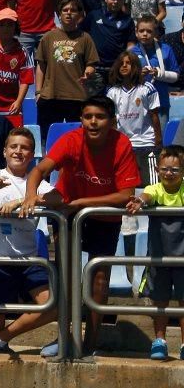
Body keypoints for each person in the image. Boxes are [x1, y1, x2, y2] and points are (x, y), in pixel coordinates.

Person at [23, 96, 141, 356]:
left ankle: (91, 341)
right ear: (81, 119)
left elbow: (125, 194)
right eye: (88, 116)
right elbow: (39, 170)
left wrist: (82, 203)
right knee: (66, 276)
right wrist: (31, 194)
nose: (93, 122)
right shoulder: (70, 140)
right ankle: (64, 337)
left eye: (99, 117)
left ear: (112, 121)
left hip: (103, 217)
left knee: (99, 280)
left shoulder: (122, 144)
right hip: (68, 213)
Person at [0, 128, 62, 353]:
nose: (19, 151)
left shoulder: (36, 181)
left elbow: (58, 198)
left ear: (33, 153)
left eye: (25, 147)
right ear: (5, 151)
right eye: (14, 147)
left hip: (29, 259)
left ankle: (0, 338)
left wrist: (23, 200)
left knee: (52, 305)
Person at [126, 145, 184, 360]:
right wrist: (139, 201)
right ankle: (159, 341)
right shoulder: (155, 188)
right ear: (158, 170)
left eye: (175, 170)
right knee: (160, 301)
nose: (169, 173)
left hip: (183, 259)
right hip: (159, 258)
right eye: (165, 169)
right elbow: (147, 196)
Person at [35, 0, 99, 141]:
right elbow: (41, 66)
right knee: (47, 139)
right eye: (65, 10)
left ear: (79, 15)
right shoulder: (48, 37)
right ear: (59, 14)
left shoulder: (85, 38)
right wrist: (38, 92)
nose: (69, 13)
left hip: (76, 96)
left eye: (73, 10)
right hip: (50, 96)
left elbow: (91, 64)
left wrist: (88, 72)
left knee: (78, 138)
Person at [106, 51, 161, 185]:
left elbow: (154, 116)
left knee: (150, 184)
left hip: (145, 143)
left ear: (136, 66)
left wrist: (158, 140)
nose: (124, 66)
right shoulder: (113, 92)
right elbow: (111, 120)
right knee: (126, 183)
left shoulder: (147, 89)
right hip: (123, 144)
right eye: (121, 64)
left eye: (128, 63)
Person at [80, 0, 137, 97]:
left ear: (123, 0)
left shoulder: (128, 20)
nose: (115, 2)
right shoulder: (93, 16)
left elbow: (131, 43)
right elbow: (81, 35)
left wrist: (124, 60)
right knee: (95, 102)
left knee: (117, 103)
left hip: (117, 70)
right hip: (96, 69)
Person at [129, 16, 180, 127]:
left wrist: (159, 73)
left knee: (160, 140)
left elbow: (175, 76)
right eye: (141, 31)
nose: (145, 34)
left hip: (161, 102)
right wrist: (137, 75)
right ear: (136, 32)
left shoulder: (166, 49)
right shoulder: (131, 52)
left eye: (149, 31)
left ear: (156, 32)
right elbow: (125, 78)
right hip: (138, 104)